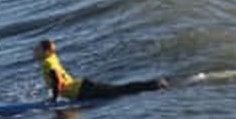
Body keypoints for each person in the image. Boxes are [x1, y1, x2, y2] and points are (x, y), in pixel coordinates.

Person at [34, 39, 168, 102]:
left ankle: (155, 85)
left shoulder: (47, 63)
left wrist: (53, 99)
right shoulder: (52, 57)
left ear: (46, 52)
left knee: (120, 91)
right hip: (83, 88)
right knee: (120, 91)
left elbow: (57, 79)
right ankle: (153, 85)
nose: (34, 52)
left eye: (37, 49)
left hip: (83, 90)